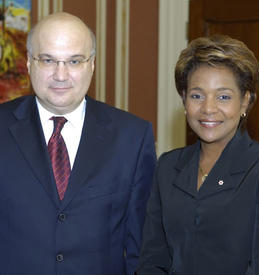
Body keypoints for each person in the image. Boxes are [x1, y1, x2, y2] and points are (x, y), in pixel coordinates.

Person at [0, 12, 156, 275]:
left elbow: (142, 248)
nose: (61, 75)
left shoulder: (132, 137)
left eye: (74, 61)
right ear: (28, 63)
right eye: (48, 60)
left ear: (92, 64)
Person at [136, 35, 259, 275]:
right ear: (184, 99)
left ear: (245, 101)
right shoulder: (168, 166)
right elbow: (153, 259)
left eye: (223, 96)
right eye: (197, 95)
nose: (208, 108)